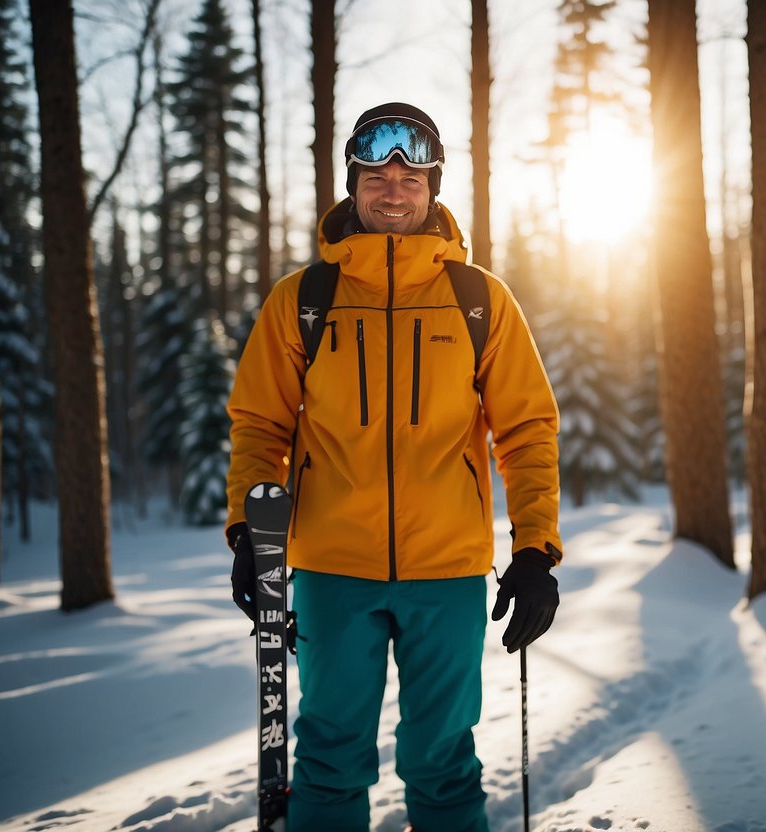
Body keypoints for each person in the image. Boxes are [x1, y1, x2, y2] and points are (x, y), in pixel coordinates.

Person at [224, 102, 563, 832]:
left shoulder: (478, 301)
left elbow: (526, 431)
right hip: (329, 567)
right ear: (353, 184)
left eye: (410, 175)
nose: (392, 188)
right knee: (329, 757)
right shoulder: (303, 302)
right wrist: (252, 535)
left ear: (434, 186)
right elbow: (260, 427)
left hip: (446, 572)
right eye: (375, 173)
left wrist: (534, 548)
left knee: (443, 760)